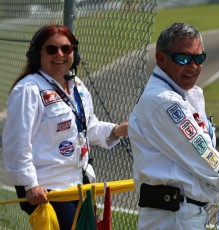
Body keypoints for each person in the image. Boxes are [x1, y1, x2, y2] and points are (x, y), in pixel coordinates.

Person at [128, 22, 219, 230]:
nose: (192, 66)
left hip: (181, 213)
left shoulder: (186, 95)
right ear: (161, 59)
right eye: (183, 58)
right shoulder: (165, 101)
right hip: (173, 217)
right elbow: (201, 152)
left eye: (199, 58)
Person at [2, 24, 128, 230]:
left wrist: (117, 130)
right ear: (37, 56)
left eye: (66, 49)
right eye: (51, 49)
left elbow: (88, 127)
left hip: (79, 185)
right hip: (47, 191)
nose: (59, 54)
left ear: (74, 53)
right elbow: (16, 143)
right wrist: (30, 185)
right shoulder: (28, 90)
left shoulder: (77, 85)